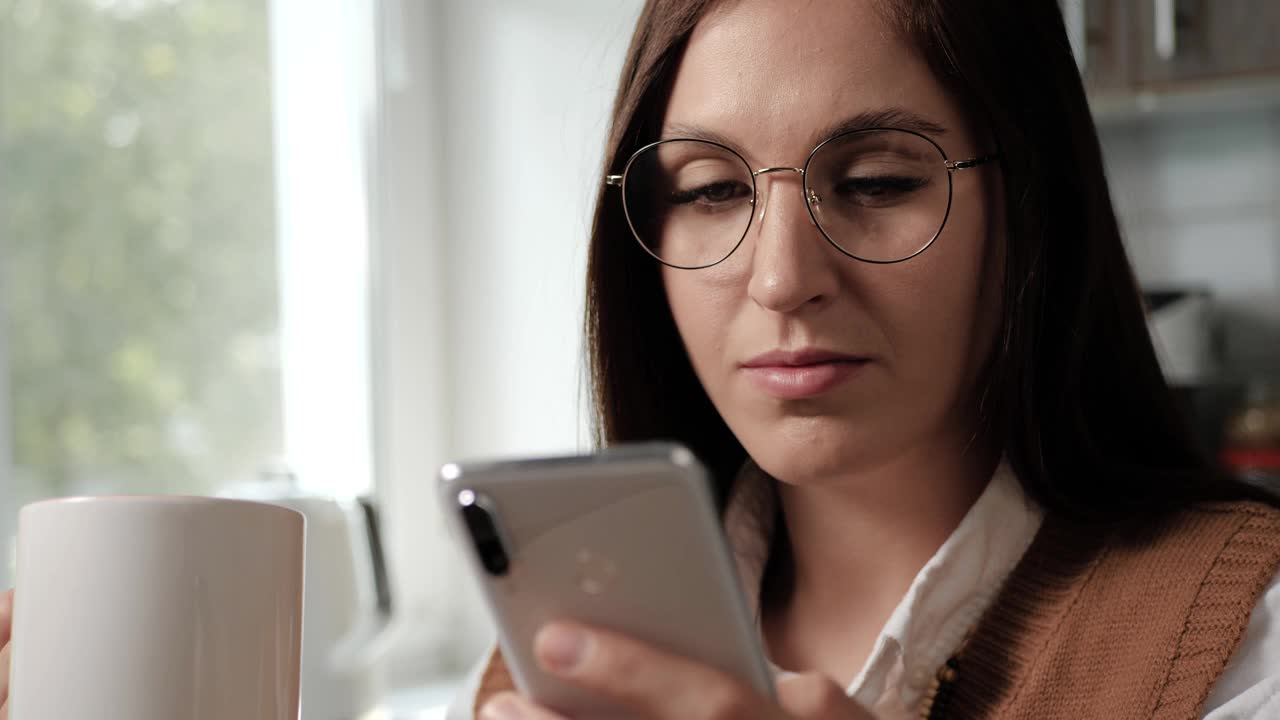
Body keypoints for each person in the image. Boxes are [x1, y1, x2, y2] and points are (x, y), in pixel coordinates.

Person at [2, 1, 1278, 719]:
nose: (782, 276)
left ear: (1031, 208)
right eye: (713, 191)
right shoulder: (563, 645)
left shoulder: (1231, 634)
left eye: (879, 180)